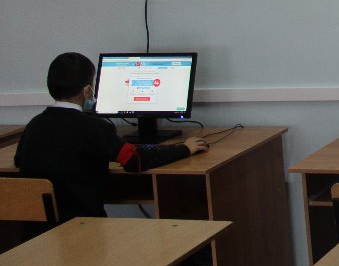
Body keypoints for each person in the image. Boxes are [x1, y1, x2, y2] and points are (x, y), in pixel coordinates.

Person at [15, 51, 208, 226]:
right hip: (82, 228)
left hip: (37, 233)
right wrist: (184, 149)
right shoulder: (93, 127)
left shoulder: (34, 124)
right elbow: (135, 161)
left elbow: (19, 160)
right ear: (87, 91)